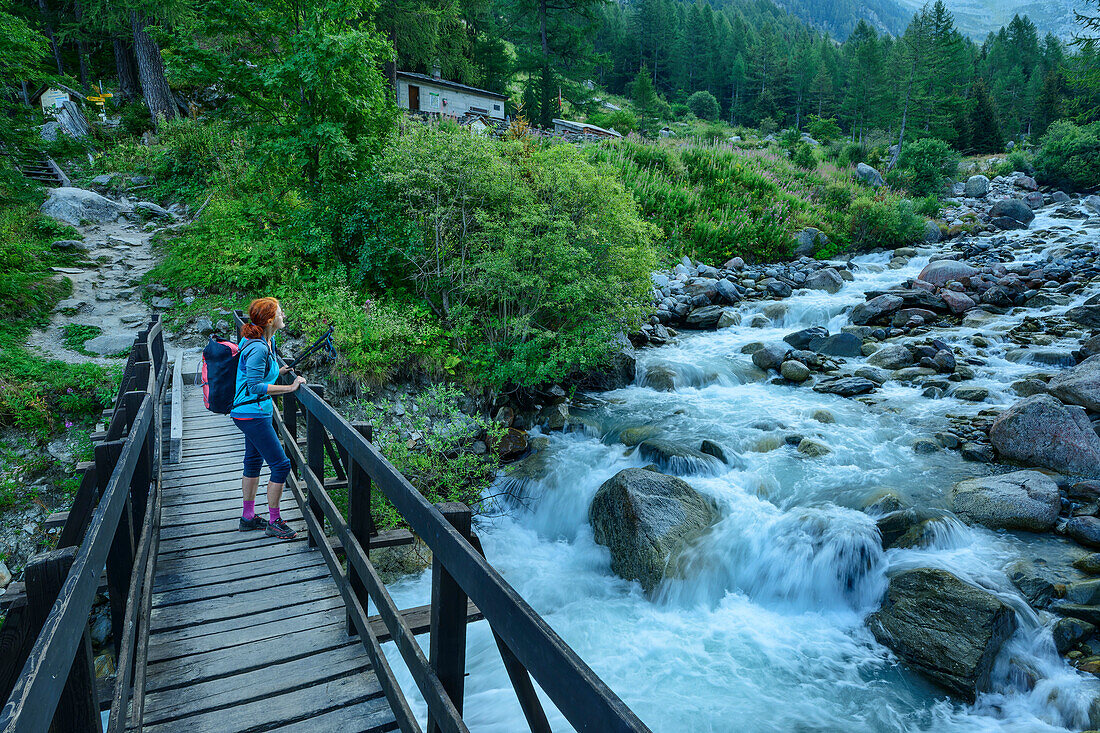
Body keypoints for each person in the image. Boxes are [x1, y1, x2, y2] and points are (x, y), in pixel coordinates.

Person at [231, 297, 305, 540]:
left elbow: (261, 371)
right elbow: (254, 386)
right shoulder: (259, 347)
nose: (284, 316)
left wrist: (279, 371)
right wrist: (290, 388)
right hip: (252, 413)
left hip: (251, 412)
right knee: (281, 465)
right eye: (281, 313)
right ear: (271, 320)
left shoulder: (265, 342)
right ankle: (275, 521)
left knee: (253, 461)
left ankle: (248, 517)